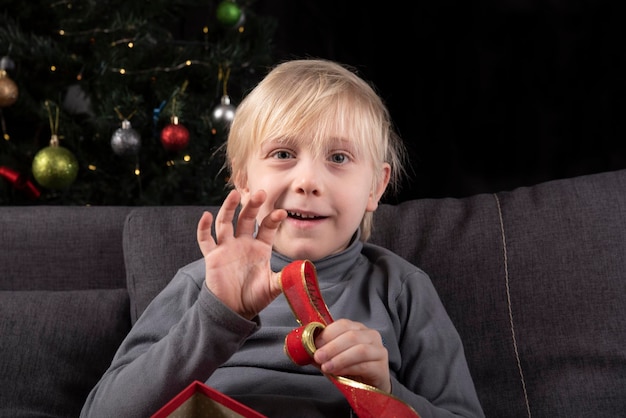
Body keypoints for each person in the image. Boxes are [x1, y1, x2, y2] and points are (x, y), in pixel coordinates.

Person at [81, 58, 484, 417]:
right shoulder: (202, 283)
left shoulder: (400, 288)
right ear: (242, 176)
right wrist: (217, 316)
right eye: (283, 154)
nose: (307, 181)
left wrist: (383, 393)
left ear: (376, 188)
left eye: (339, 158)